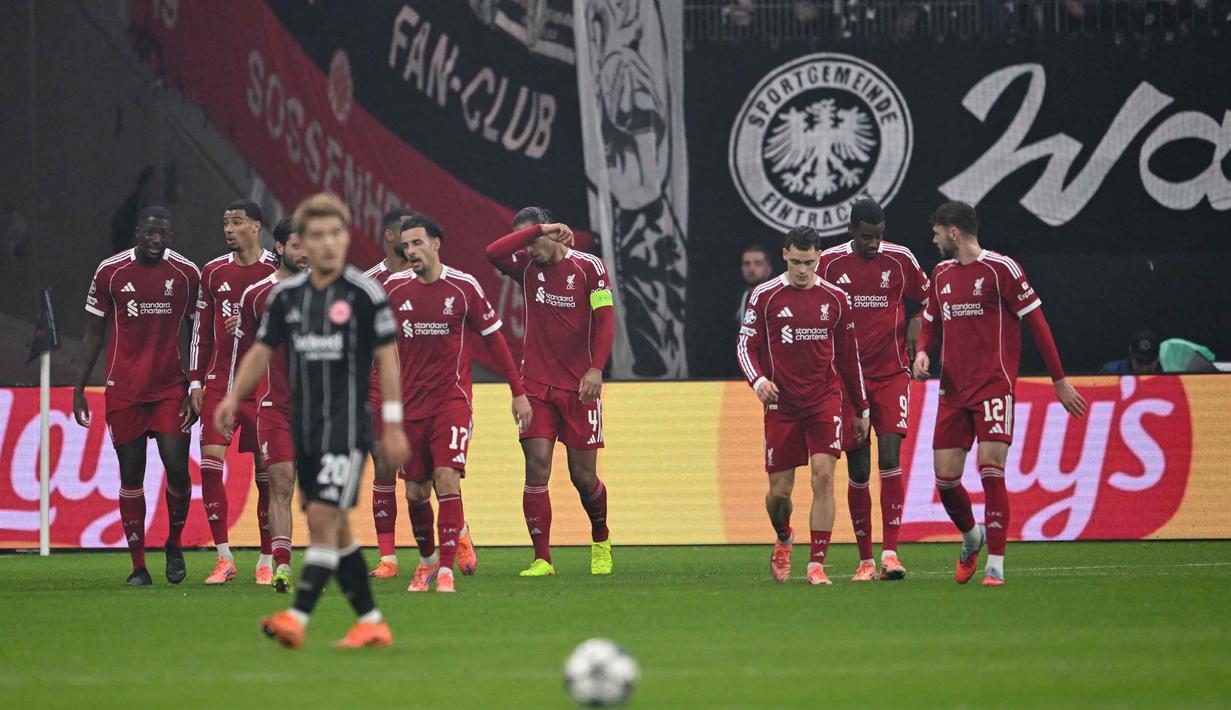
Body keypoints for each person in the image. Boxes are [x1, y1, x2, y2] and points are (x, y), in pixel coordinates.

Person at [217, 192, 408, 649]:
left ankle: (298, 616)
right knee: (336, 528)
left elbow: (389, 358)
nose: (325, 244)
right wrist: (232, 397)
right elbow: (260, 350)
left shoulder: (365, 293)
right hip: (302, 424)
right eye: (315, 235)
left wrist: (395, 424)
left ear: (345, 239)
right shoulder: (285, 298)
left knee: (324, 516)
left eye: (333, 234)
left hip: (345, 426)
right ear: (300, 242)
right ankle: (371, 621)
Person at [913, 201, 1087, 587]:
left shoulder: (1001, 270)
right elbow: (929, 323)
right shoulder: (940, 274)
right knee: (946, 479)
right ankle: (971, 536)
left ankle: (997, 564)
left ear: (953, 232)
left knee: (991, 470)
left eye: (937, 232)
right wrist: (923, 350)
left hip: (994, 386)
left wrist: (1059, 380)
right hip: (953, 391)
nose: (934, 239)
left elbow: (1038, 324)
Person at [379, 214, 531, 592]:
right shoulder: (393, 289)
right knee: (415, 491)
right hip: (410, 405)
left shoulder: (463, 287)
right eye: (406, 246)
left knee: (446, 477)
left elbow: (495, 340)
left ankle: (445, 568)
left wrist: (518, 392)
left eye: (417, 243)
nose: (410, 251)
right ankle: (429, 560)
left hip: (452, 401)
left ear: (435, 244)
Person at [485, 207, 616, 577]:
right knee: (536, 466)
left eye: (533, 240)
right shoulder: (525, 266)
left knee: (583, 478)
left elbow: (606, 319)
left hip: (579, 389)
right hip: (536, 387)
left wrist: (595, 368)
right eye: (525, 241)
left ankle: (601, 537)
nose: (528, 249)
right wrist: (537, 231)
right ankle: (543, 558)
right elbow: (492, 253)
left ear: (554, 237)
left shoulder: (590, 267)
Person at [74, 206, 200, 586]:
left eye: (163, 233)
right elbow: (94, 332)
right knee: (132, 476)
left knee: (178, 470)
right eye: (150, 232)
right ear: (137, 233)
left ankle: (174, 543)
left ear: (170, 235)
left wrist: (195, 385)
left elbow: (198, 333)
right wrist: (80, 388)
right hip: (124, 390)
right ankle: (138, 567)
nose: (156, 239)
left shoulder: (187, 274)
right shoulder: (110, 271)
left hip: (169, 389)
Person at [737, 225, 870, 586]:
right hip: (782, 404)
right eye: (795, 261)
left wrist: (861, 408)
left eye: (809, 262)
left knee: (824, 476)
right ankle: (783, 537)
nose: (801, 270)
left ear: (819, 258)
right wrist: (760, 381)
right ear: (784, 256)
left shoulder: (836, 298)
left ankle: (816, 565)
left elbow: (848, 357)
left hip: (824, 401)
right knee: (779, 494)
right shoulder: (764, 296)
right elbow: (745, 346)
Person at [819, 198, 929, 582]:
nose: (873, 244)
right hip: (849, 382)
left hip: (891, 374)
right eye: (866, 237)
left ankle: (891, 555)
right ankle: (865, 560)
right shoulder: (830, 263)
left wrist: (919, 331)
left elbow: (931, 300)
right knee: (859, 468)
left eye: (879, 236)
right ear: (851, 231)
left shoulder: (899, 259)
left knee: (889, 456)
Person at [190, 200, 279, 585]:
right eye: (225, 222)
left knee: (267, 477)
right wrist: (195, 380)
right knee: (210, 465)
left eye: (237, 222)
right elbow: (200, 330)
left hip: (263, 388)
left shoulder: (277, 268)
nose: (229, 229)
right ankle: (224, 557)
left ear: (256, 226)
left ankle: (264, 559)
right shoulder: (212, 271)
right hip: (219, 384)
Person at [229, 217, 308, 592]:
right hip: (275, 407)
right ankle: (282, 566)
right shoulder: (258, 296)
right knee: (280, 485)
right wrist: (233, 399)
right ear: (278, 248)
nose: (305, 253)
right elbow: (247, 354)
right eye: (297, 245)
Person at [736, 242, 774, 326]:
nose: (751, 269)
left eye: (758, 264)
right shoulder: (742, 296)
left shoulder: (777, 298)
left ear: (769, 269)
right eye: (747, 264)